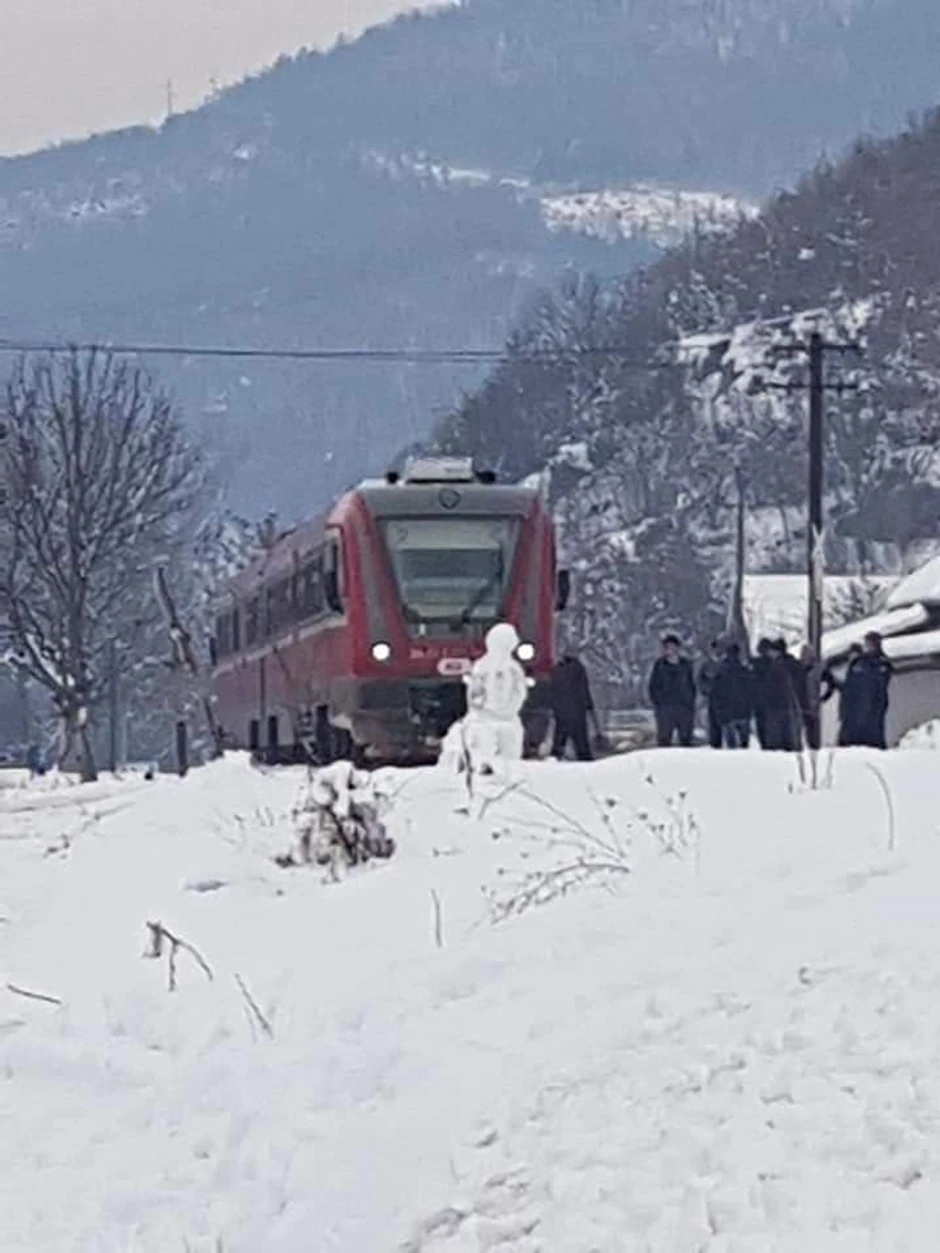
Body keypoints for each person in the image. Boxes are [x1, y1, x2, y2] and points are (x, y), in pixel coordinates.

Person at [841, 632, 893, 749]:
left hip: (874, 705)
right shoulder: (858, 662)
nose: (868, 646)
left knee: (872, 734)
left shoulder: (882, 662)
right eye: (867, 643)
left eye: (871, 643)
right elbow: (848, 685)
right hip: (855, 706)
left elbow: (881, 680)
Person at [648, 634, 696, 747]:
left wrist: (690, 702)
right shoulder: (659, 666)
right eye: (667, 647)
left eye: (673, 647)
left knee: (686, 740)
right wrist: (659, 703)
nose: (670, 650)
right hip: (666, 708)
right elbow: (653, 686)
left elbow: (691, 684)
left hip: (684, 707)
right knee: (664, 740)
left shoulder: (686, 665)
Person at [549, 651, 598, 761]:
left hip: (562, 713)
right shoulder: (579, 669)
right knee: (581, 742)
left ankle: (554, 758)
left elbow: (553, 691)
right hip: (578, 712)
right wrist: (589, 705)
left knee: (559, 740)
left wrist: (554, 708)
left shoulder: (556, 671)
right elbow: (583, 689)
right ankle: (585, 760)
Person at [711, 641, 753, 748]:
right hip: (742, 712)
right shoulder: (744, 671)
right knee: (743, 745)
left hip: (728, 713)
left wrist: (719, 711)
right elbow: (751, 692)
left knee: (732, 747)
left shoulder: (720, 671)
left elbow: (715, 693)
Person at [697, 639, 724, 750]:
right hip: (712, 698)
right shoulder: (706, 665)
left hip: (725, 699)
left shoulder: (726, 664)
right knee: (713, 722)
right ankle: (715, 744)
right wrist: (706, 690)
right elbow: (700, 681)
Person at [751, 637, 775, 749]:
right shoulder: (774, 665)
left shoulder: (754, 664)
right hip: (771, 700)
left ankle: (764, 745)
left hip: (757, 700)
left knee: (761, 724)